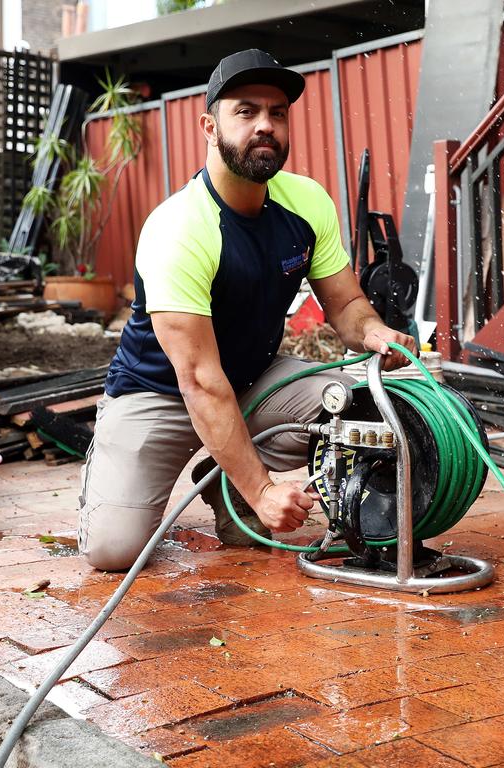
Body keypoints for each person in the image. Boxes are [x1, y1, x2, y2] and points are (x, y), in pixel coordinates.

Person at [78, 49, 417, 571]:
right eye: (246, 111)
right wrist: (264, 491)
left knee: (350, 402)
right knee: (113, 551)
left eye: (277, 113)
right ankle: (217, 478)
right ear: (209, 126)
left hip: (252, 380)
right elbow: (197, 379)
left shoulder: (306, 203)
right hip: (160, 393)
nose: (265, 125)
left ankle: (225, 490)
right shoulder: (179, 228)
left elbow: (346, 304)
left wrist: (374, 332)